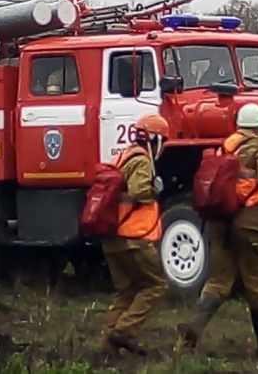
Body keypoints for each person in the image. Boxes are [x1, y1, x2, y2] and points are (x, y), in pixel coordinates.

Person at [175, 103, 258, 355]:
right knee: (257, 280)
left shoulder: (225, 146)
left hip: (220, 222)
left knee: (220, 279)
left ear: (239, 126)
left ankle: (192, 330)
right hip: (251, 224)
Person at [99, 113, 170, 357]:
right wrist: (155, 190)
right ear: (156, 139)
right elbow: (140, 192)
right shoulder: (142, 161)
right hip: (134, 238)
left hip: (112, 239)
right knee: (156, 285)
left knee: (126, 291)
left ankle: (106, 347)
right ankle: (125, 331)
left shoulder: (121, 156)